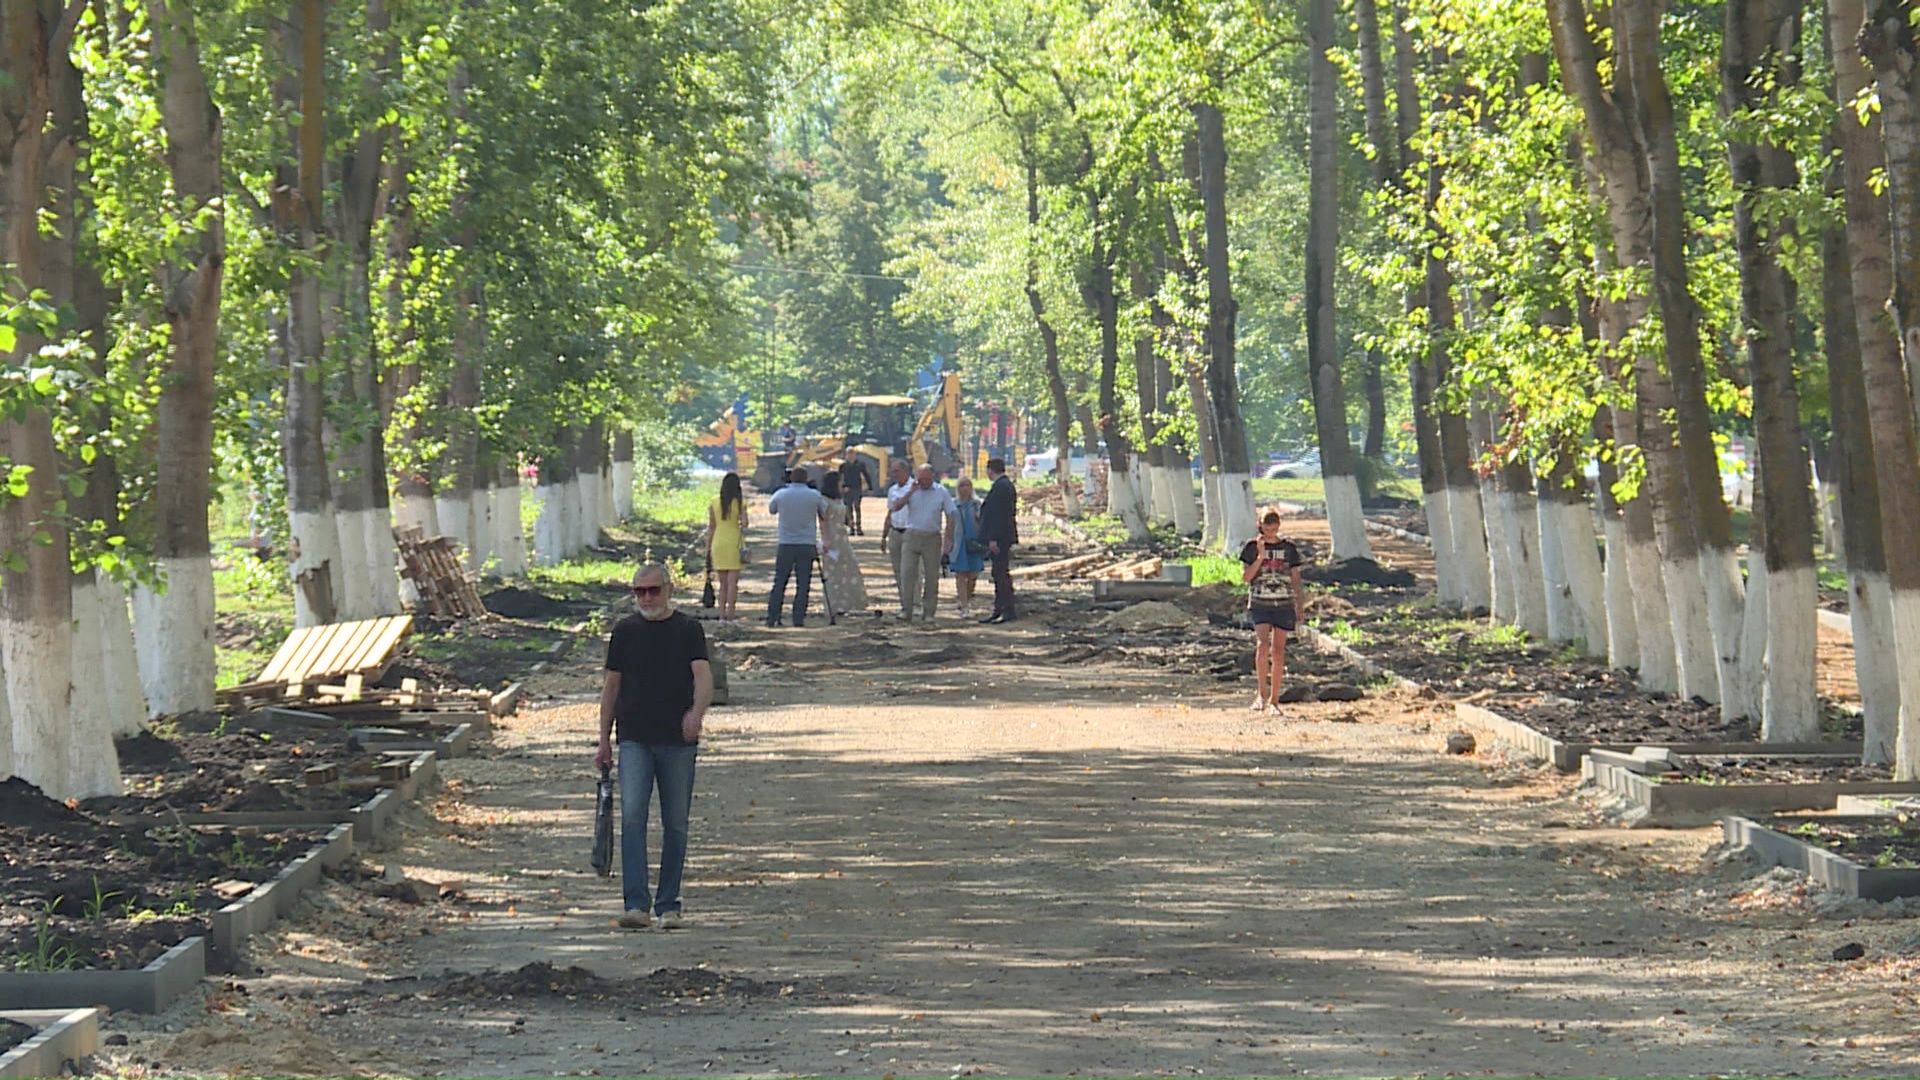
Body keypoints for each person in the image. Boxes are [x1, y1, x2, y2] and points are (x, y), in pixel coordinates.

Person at [596, 564, 711, 930]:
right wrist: (603, 739)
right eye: (639, 591)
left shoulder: (688, 630)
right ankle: (636, 904)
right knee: (632, 819)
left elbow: (703, 677)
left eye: (653, 590)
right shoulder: (625, 632)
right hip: (633, 738)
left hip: (678, 741)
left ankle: (669, 905)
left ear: (669, 590)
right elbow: (611, 688)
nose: (647, 598)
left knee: (675, 823)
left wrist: (697, 712)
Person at [1239, 510, 1307, 714]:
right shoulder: (1251, 547)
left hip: (1284, 604)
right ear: (1259, 524)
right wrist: (1260, 556)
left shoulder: (1289, 549)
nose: (1270, 529)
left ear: (1279, 525)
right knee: (1262, 645)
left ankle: (1274, 700)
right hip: (1260, 602)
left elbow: (1295, 579)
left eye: (1274, 525)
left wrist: (1300, 605)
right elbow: (1246, 577)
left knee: (1278, 650)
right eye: (1266, 525)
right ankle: (1260, 694)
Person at [888, 463, 956, 623]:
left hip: (932, 537)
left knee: (932, 577)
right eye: (921, 479)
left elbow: (950, 516)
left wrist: (948, 540)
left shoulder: (941, 492)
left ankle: (929, 612)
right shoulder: (911, 490)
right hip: (911, 535)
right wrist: (911, 491)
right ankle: (907, 609)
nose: (924, 482)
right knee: (907, 574)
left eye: (927, 479)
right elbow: (895, 507)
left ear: (933, 476)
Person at [765, 468, 829, 628]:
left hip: (786, 542)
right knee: (803, 583)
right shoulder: (814, 495)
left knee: (780, 581)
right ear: (806, 478)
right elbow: (825, 511)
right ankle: (798, 617)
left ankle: (772, 616)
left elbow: (772, 509)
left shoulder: (781, 494)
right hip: (806, 544)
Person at [818, 472, 868, 615]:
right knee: (833, 572)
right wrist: (825, 539)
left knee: (848, 568)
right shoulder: (824, 500)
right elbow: (823, 521)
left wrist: (849, 522)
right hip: (832, 536)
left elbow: (844, 515)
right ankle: (834, 605)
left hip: (842, 536)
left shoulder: (839, 499)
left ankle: (848, 602)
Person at [978, 457, 1019, 624]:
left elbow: (998, 515)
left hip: (1000, 537)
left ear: (990, 470)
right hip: (1002, 535)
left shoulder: (1001, 487)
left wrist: (993, 538)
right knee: (998, 572)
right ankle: (999, 608)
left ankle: (1006, 609)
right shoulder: (1004, 485)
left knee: (1001, 574)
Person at [705, 472, 748, 624]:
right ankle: (731, 616)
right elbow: (745, 523)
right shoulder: (740, 502)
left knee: (722, 584)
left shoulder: (714, 501)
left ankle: (721, 616)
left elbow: (711, 528)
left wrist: (708, 548)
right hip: (734, 543)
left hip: (719, 542)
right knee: (732, 584)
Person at [947, 477, 985, 618]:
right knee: (960, 574)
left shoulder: (977, 504)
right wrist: (948, 542)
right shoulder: (953, 505)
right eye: (962, 485)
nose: (965, 488)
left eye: (968, 485)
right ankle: (964, 606)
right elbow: (949, 525)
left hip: (974, 543)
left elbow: (983, 523)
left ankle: (967, 597)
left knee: (973, 574)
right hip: (959, 543)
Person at [881, 459, 913, 585]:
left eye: (897, 471)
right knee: (898, 569)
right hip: (895, 532)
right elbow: (890, 513)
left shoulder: (915, 488)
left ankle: (914, 601)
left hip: (909, 532)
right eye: (892, 472)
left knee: (911, 569)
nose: (894, 474)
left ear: (905, 471)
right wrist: (884, 536)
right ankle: (904, 600)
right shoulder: (892, 490)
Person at [837, 458, 866, 536]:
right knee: (848, 509)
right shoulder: (843, 466)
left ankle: (859, 527)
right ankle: (851, 528)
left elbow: (866, 474)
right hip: (847, 490)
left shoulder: (860, 465)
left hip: (857, 489)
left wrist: (870, 487)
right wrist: (842, 487)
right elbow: (839, 478)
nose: (851, 455)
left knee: (857, 507)